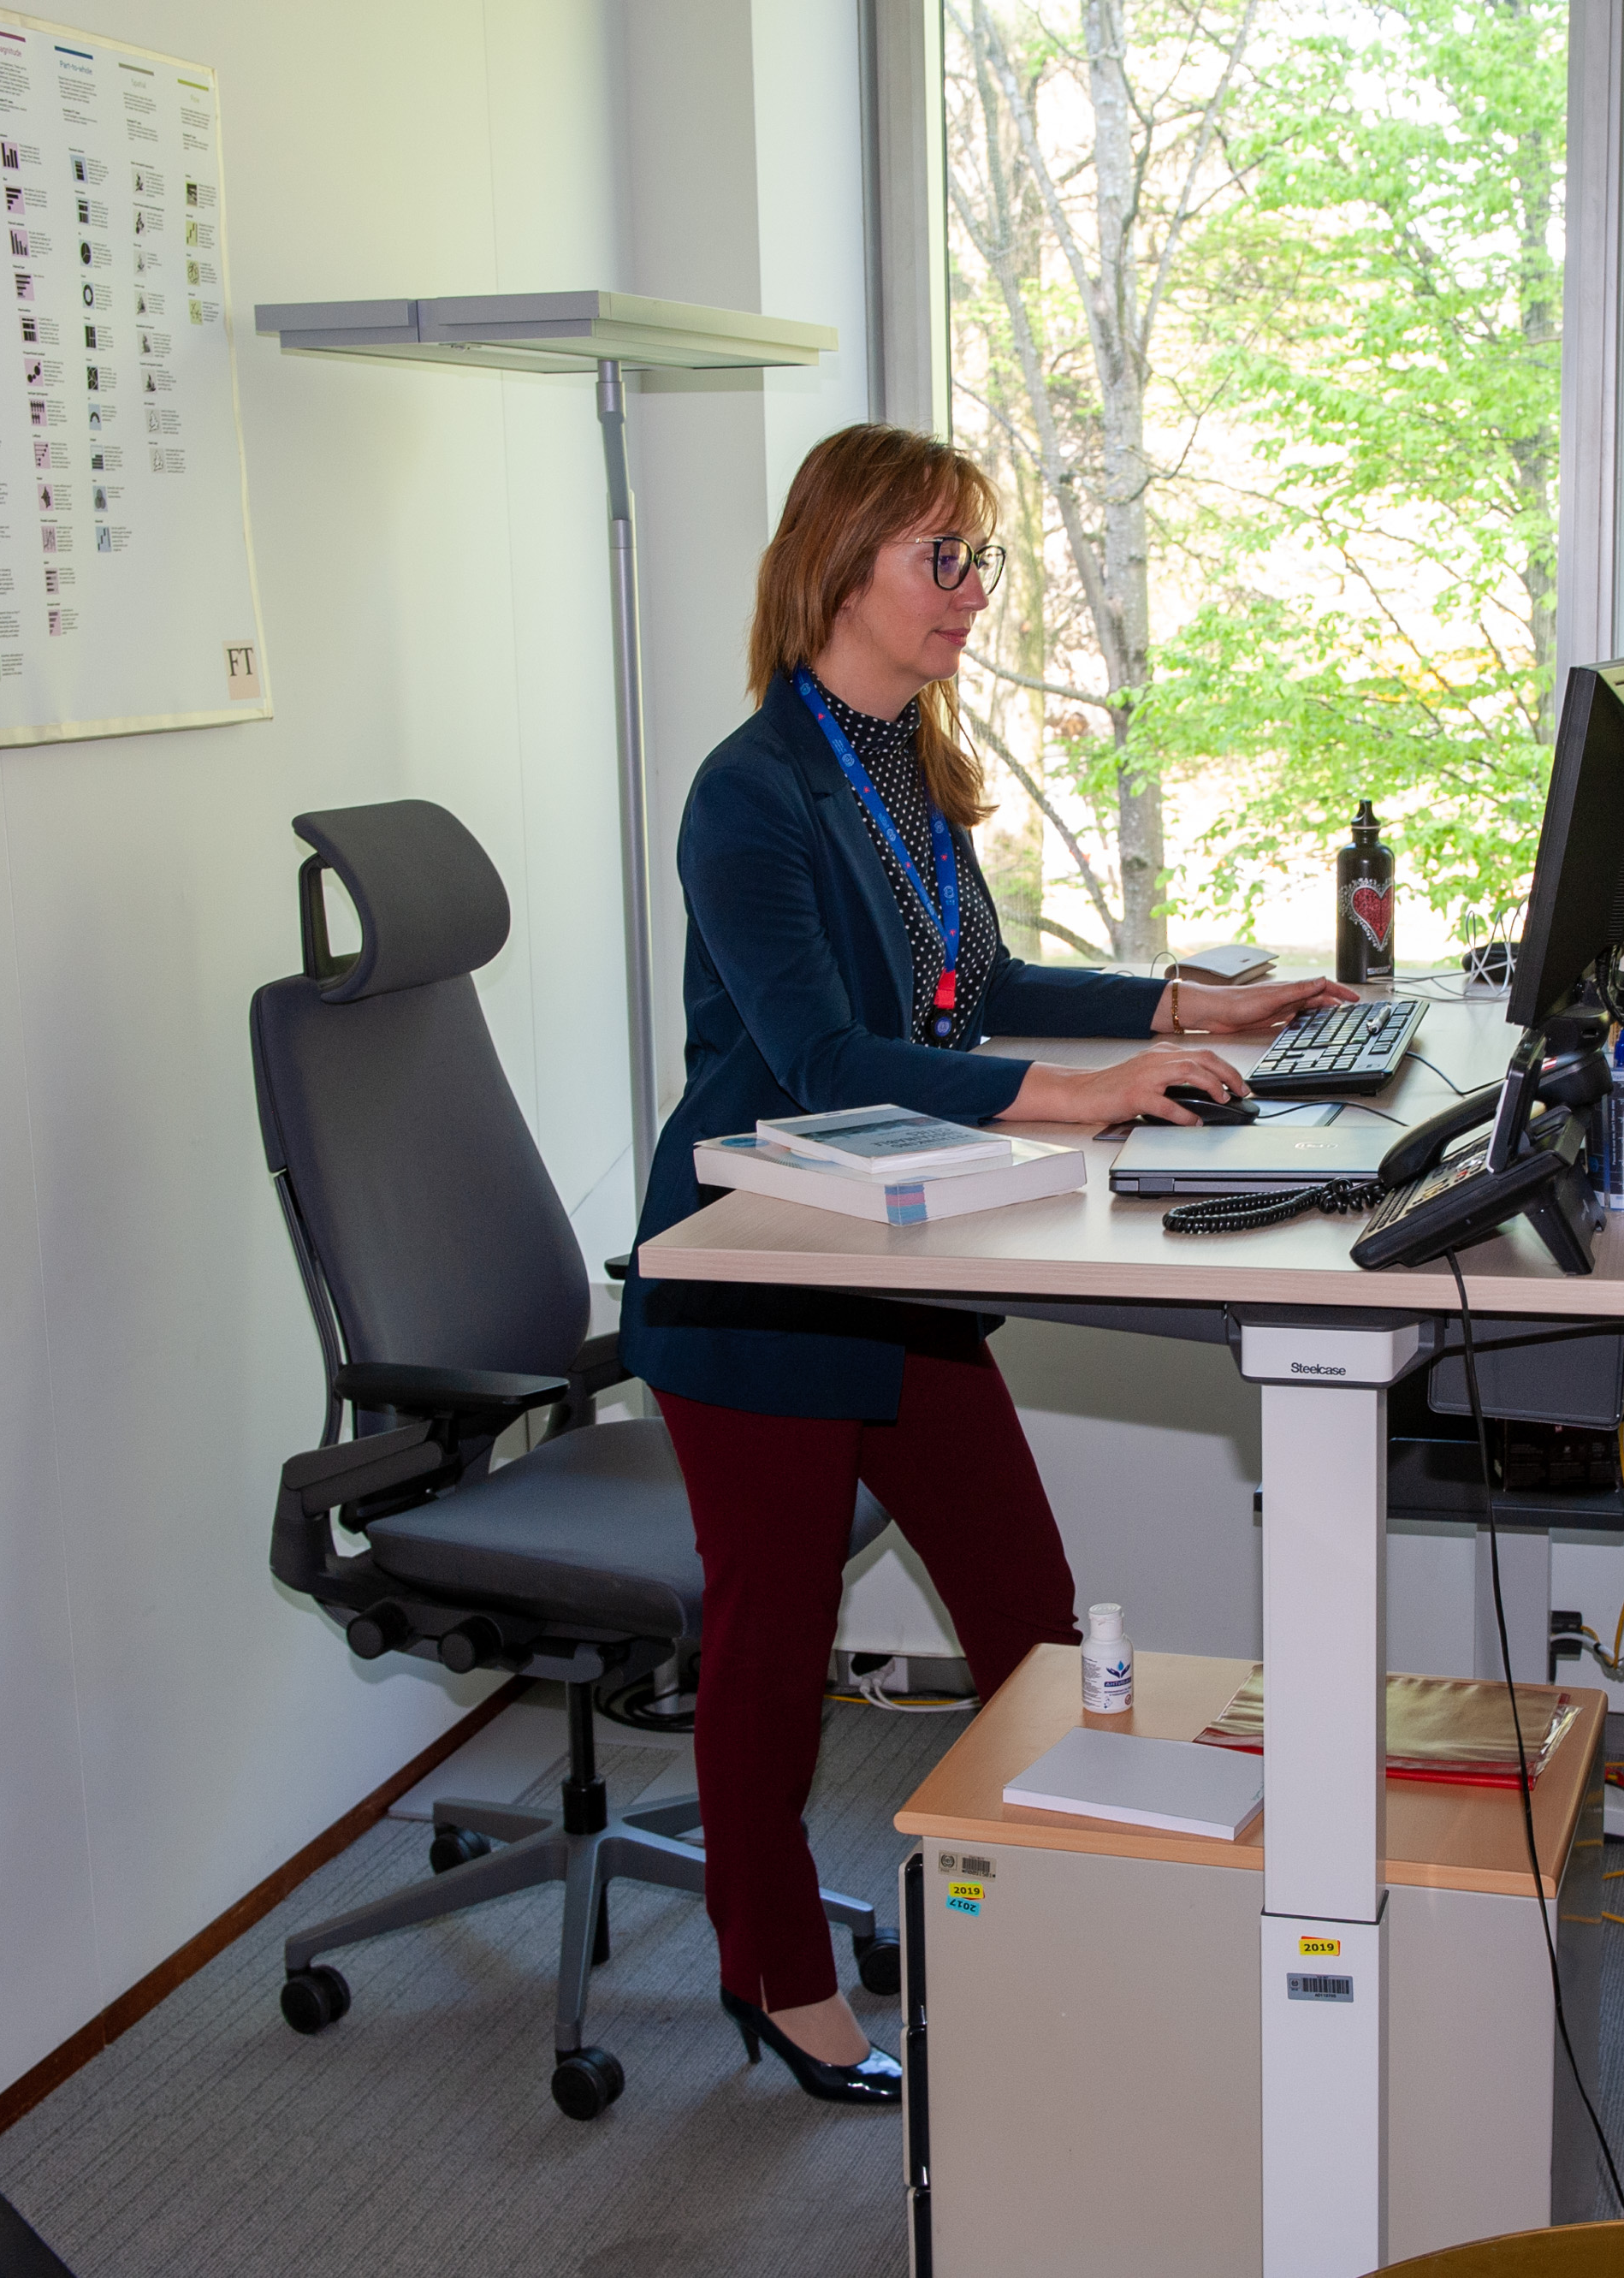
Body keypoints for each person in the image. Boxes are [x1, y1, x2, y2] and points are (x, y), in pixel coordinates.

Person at [619, 423, 1351, 2103]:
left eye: (976, 560)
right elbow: (823, 1056)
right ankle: (772, 1972)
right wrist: (1082, 1096)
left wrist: (1178, 1004)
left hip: (899, 1250)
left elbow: (980, 980)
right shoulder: (750, 794)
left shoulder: (898, 760)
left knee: (1025, 1613)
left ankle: (1056, 1915)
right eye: (935, 558)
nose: (966, 592)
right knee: (771, 1633)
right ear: (837, 567)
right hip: (760, 1271)